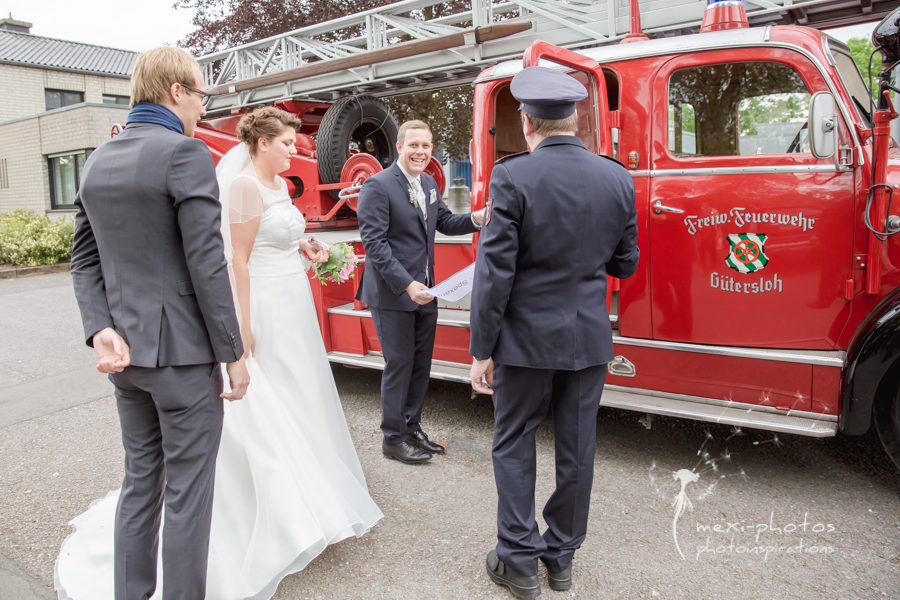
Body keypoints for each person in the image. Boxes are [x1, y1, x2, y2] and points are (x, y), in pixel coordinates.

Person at [58, 105, 384, 598]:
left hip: (288, 301)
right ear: (260, 143)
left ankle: (308, 493)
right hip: (257, 310)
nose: (294, 149)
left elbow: (278, 235)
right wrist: (238, 335)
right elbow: (228, 260)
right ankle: (266, 509)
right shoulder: (229, 178)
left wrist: (307, 250)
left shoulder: (280, 186)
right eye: (286, 142)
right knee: (245, 421)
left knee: (298, 397)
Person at [66, 46, 249, 600]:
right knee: (189, 495)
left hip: (124, 358)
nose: (202, 106)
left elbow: (84, 258)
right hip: (184, 360)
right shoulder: (185, 154)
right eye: (200, 94)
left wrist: (100, 326)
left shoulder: (98, 158)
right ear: (175, 92)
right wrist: (233, 353)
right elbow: (207, 262)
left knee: (140, 483)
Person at [469, 66, 640, 598]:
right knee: (578, 447)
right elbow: (625, 265)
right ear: (575, 118)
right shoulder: (617, 176)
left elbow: (494, 274)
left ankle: (519, 560)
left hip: (524, 340)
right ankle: (561, 556)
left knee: (514, 441)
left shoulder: (512, 176)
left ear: (527, 122)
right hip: (587, 338)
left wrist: (482, 348)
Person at [356, 120, 485, 464]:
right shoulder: (377, 185)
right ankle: (393, 438)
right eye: (413, 145)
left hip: (427, 291)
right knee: (399, 364)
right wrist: (407, 284)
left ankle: (412, 428)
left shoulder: (428, 182)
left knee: (419, 365)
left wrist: (478, 217)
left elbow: (445, 222)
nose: (420, 152)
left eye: (426, 146)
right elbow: (375, 245)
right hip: (394, 293)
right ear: (399, 147)